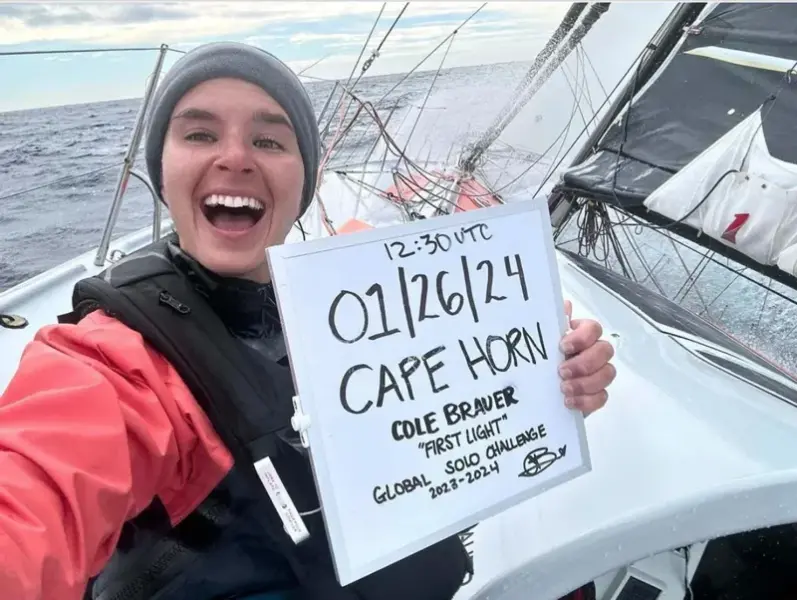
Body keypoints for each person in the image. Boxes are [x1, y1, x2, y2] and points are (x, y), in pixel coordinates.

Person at [0, 42, 616, 600]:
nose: (235, 158)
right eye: (199, 135)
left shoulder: (377, 299)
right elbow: (39, 489)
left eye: (269, 140)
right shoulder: (119, 359)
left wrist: (540, 379)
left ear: (306, 181)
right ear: (161, 171)